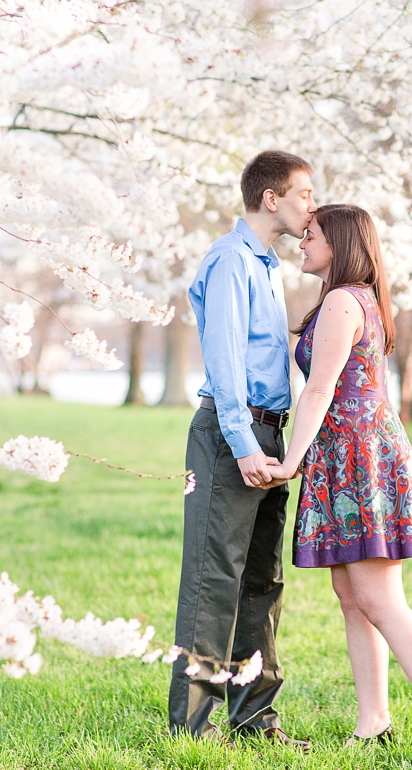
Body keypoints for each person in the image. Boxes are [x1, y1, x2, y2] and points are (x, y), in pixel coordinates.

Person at [264, 204, 412, 748]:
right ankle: (373, 722)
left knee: (380, 599)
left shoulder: (343, 300)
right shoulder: (354, 297)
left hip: (360, 457)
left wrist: (289, 461)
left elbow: (319, 389)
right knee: (352, 595)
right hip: (350, 453)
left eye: (311, 236)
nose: (301, 244)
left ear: (339, 244)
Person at [168, 150, 315, 749]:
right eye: (304, 194)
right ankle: (193, 729)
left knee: (261, 580)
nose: (312, 205)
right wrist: (244, 443)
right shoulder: (231, 260)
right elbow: (226, 361)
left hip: (269, 433)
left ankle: (256, 719)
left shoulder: (267, 265)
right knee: (214, 581)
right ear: (271, 199)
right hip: (234, 435)